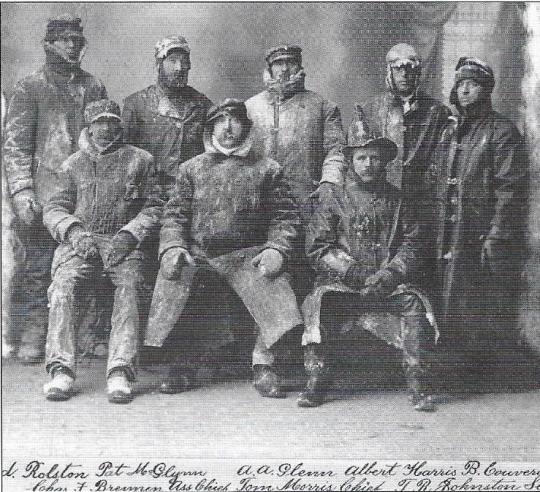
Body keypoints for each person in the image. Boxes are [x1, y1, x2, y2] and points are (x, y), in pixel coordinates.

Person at [144, 99, 303, 398]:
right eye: (220, 121)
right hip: (201, 254)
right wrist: (173, 247)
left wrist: (276, 249)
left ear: (246, 126)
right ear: (211, 127)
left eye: (235, 120)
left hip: (248, 256)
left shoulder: (268, 169)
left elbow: (285, 217)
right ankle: (183, 365)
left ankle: (264, 364)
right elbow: (174, 216)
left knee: (274, 280)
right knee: (176, 275)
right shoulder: (191, 169)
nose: (228, 128)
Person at [300, 111, 438, 411]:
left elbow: (414, 244)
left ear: (384, 160)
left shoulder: (400, 200)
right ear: (351, 160)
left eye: (374, 157)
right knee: (322, 303)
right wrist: (355, 273)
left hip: (390, 283)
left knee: (415, 304)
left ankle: (418, 384)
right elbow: (318, 248)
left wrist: (389, 274)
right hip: (344, 284)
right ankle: (317, 382)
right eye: (362, 158)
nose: (369, 164)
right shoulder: (334, 199)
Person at [3, 14, 107, 363]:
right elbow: (15, 144)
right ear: (48, 44)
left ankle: (84, 332)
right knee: (38, 264)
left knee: (85, 261)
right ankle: (36, 328)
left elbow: (103, 141)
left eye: (76, 41)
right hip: (43, 192)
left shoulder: (93, 87)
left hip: (85, 192)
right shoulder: (29, 87)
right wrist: (21, 191)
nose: (72, 46)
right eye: (65, 40)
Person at [42, 99, 161, 404]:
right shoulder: (73, 165)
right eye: (99, 123)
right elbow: (54, 207)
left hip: (123, 243)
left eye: (111, 122)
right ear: (89, 126)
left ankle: (120, 369)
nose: (105, 129)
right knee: (62, 287)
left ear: (119, 125)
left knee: (131, 286)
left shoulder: (140, 160)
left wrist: (130, 234)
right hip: (81, 243)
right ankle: (61, 369)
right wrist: (74, 231)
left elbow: (155, 206)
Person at [424, 57, 528, 367]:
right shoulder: (449, 130)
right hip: (447, 233)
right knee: (444, 297)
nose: (465, 89)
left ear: (486, 90)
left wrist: (496, 236)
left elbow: (510, 191)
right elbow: (435, 178)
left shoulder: (502, 131)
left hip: (478, 234)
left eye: (473, 84)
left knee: (478, 302)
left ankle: (479, 370)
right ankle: (448, 364)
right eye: (460, 84)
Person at [352, 43, 450, 197]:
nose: (404, 74)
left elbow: (445, 161)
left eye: (409, 69)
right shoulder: (369, 109)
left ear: (418, 72)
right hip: (379, 196)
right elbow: (355, 159)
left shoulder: (437, 112)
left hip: (423, 199)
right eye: (398, 69)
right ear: (390, 72)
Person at [122, 36, 213, 199]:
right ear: (158, 65)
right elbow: (124, 157)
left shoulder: (203, 105)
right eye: (172, 61)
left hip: (192, 194)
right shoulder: (136, 104)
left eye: (184, 61)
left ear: (190, 65)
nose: (179, 68)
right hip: (148, 196)